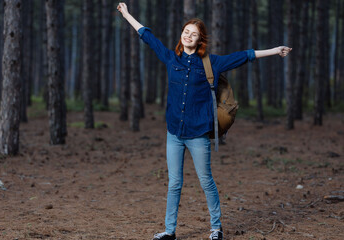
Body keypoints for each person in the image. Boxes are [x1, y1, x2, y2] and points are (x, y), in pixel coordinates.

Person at [117, 3, 291, 240]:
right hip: (174, 133)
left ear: (200, 40)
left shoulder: (211, 63)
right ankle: (170, 231)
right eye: (186, 31)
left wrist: (274, 50)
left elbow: (244, 56)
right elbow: (148, 36)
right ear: (182, 35)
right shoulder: (171, 58)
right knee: (174, 184)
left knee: (206, 181)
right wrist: (127, 14)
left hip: (198, 133)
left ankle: (216, 228)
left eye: (194, 34)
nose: (188, 35)